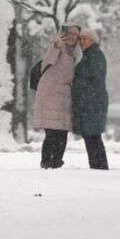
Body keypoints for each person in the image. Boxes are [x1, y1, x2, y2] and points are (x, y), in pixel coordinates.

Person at [33, 24, 81, 169]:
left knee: (62, 132)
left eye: (76, 34)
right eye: (71, 33)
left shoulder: (76, 53)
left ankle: (56, 161)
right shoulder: (58, 47)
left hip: (64, 97)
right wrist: (55, 45)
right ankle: (47, 162)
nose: (73, 36)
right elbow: (47, 61)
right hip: (50, 93)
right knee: (52, 131)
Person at [72, 29, 109, 170]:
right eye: (80, 39)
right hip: (90, 103)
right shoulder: (89, 56)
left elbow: (94, 79)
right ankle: (98, 167)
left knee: (92, 137)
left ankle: (99, 168)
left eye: (85, 39)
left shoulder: (94, 56)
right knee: (92, 138)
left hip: (93, 103)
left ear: (93, 41)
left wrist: (78, 86)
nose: (82, 42)